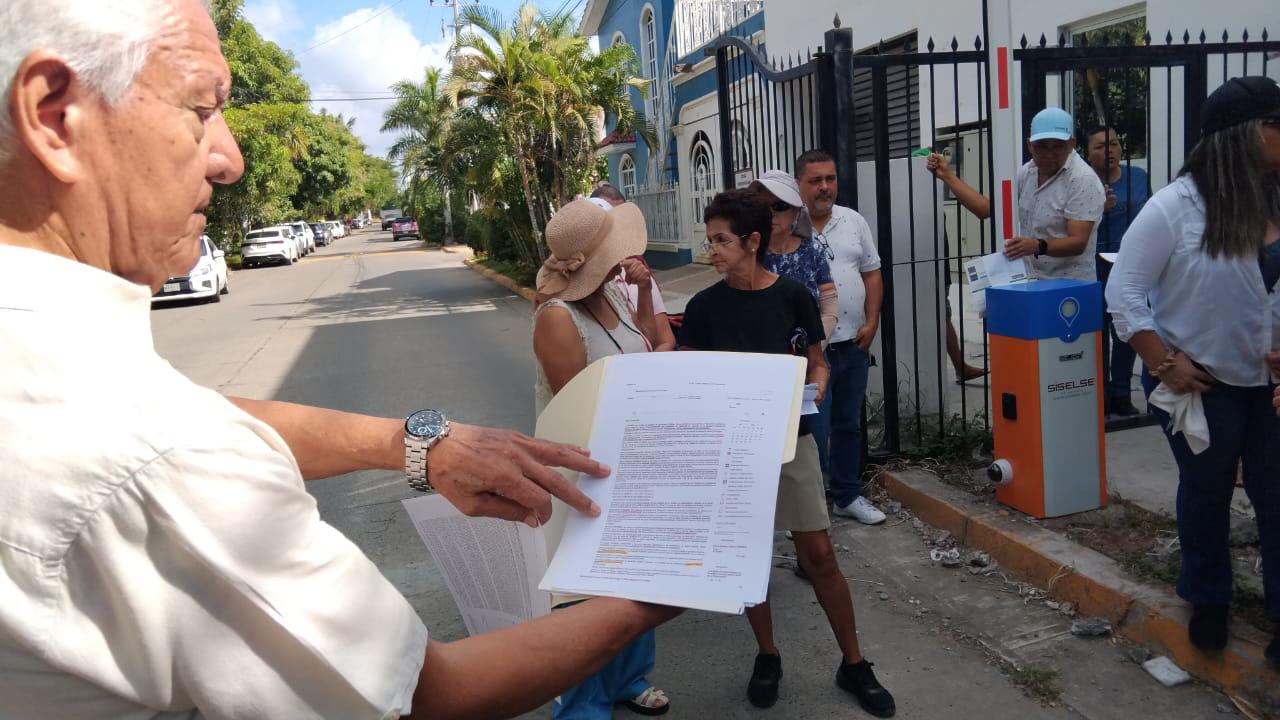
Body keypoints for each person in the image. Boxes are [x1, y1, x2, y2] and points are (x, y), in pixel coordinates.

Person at [0, 1, 681, 716]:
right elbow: (430, 693)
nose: (229, 159)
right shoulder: (161, 458)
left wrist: (416, 447)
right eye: (201, 109)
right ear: (55, 115)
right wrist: (653, 593)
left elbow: (193, 411)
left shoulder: (68, 377)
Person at [679, 189, 896, 718]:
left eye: (722, 240)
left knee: (818, 554)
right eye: (709, 241)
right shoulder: (703, 309)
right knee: (751, 561)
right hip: (734, 454)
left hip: (789, 440)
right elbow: (689, 379)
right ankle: (768, 654)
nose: (713, 250)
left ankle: (854, 662)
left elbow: (816, 360)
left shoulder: (793, 296)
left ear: (753, 242)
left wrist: (819, 380)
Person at [1106, 75, 1280, 669]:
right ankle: (1208, 595)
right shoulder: (1176, 207)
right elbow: (1123, 292)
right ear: (1242, 135)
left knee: (1276, 495)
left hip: (1274, 388)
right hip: (1203, 383)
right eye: (1276, 123)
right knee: (1205, 492)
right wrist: (1161, 365)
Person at [532, 198, 672, 718]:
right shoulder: (558, 318)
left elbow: (653, 348)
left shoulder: (612, 292)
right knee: (584, 598)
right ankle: (584, 703)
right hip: (583, 474)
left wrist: (639, 294)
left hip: (629, 464)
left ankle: (628, 679)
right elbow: (581, 409)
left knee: (631, 582)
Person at [795, 150, 887, 526]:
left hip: (852, 344)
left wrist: (872, 320)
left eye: (830, 179)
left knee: (848, 424)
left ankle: (846, 495)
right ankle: (810, 509)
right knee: (812, 433)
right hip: (809, 353)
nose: (825, 187)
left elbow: (872, 272)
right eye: (816, 180)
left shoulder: (853, 221)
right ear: (799, 183)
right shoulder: (788, 227)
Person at [925, 108, 1106, 281]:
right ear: (1029, 145)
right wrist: (947, 175)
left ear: (1071, 144)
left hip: (1069, 288)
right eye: (1041, 147)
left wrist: (1037, 246)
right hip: (1030, 280)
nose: (1049, 154)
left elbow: (1078, 242)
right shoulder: (1028, 172)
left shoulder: (1082, 179)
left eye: (1057, 146)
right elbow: (987, 209)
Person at [1084, 125, 1151, 417]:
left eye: (1112, 143)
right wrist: (1101, 208)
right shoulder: (1083, 183)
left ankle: (1122, 393)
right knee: (1097, 333)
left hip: (1131, 267)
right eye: (1099, 146)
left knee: (1127, 330)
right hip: (1094, 266)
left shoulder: (1137, 177)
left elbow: (1151, 214)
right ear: (1087, 154)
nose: (1108, 150)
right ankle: (1101, 395)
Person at [749, 169, 838, 341]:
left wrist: (811, 349)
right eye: (762, 206)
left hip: (810, 359)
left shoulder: (813, 251)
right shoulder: (747, 253)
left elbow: (829, 309)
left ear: (796, 211)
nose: (770, 213)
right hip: (760, 356)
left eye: (779, 206)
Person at [590, 184, 678, 351]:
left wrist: (645, 289)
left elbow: (656, 340)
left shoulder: (635, 272)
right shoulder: (565, 307)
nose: (618, 231)